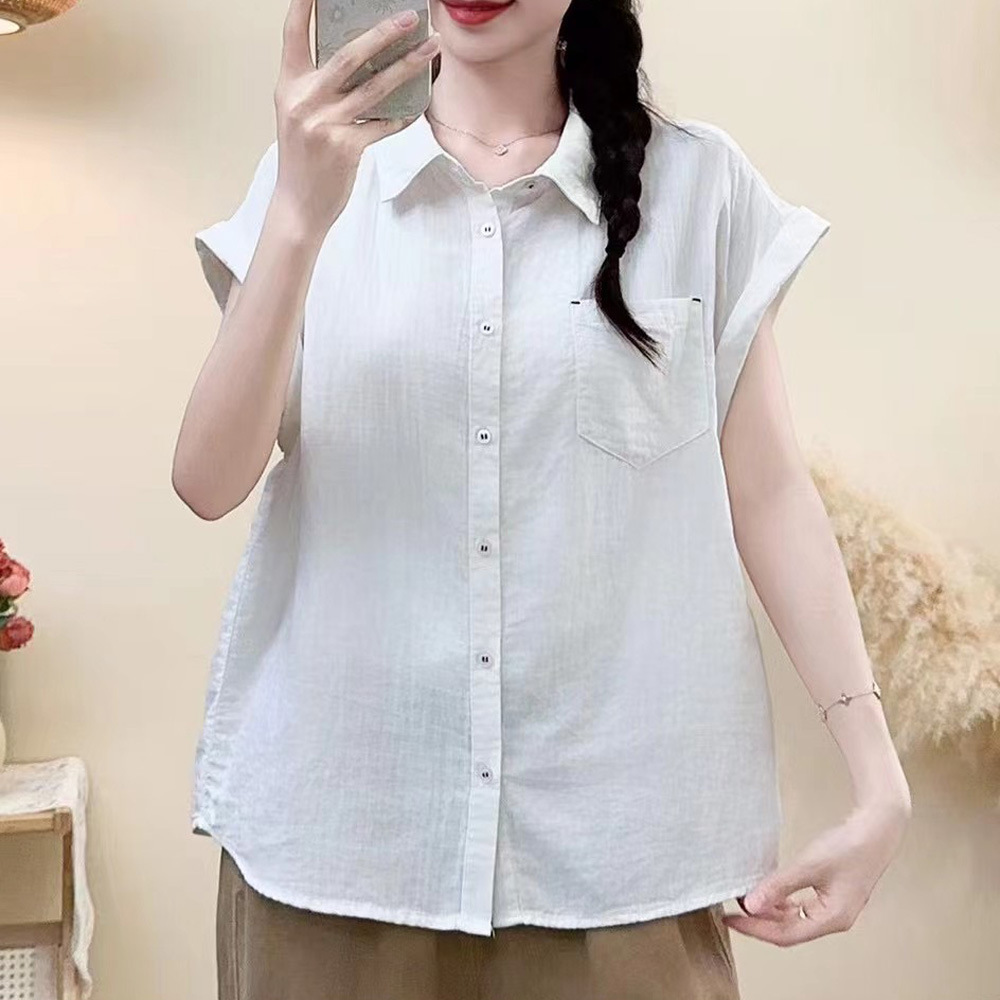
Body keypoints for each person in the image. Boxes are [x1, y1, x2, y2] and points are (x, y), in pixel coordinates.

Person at [172, 0, 913, 997]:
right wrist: (300, 216)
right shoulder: (311, 176)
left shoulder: (698, 187)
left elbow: (770, 493)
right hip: (341, 846)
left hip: (620, 859)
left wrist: (877, 777)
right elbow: (207, 480)